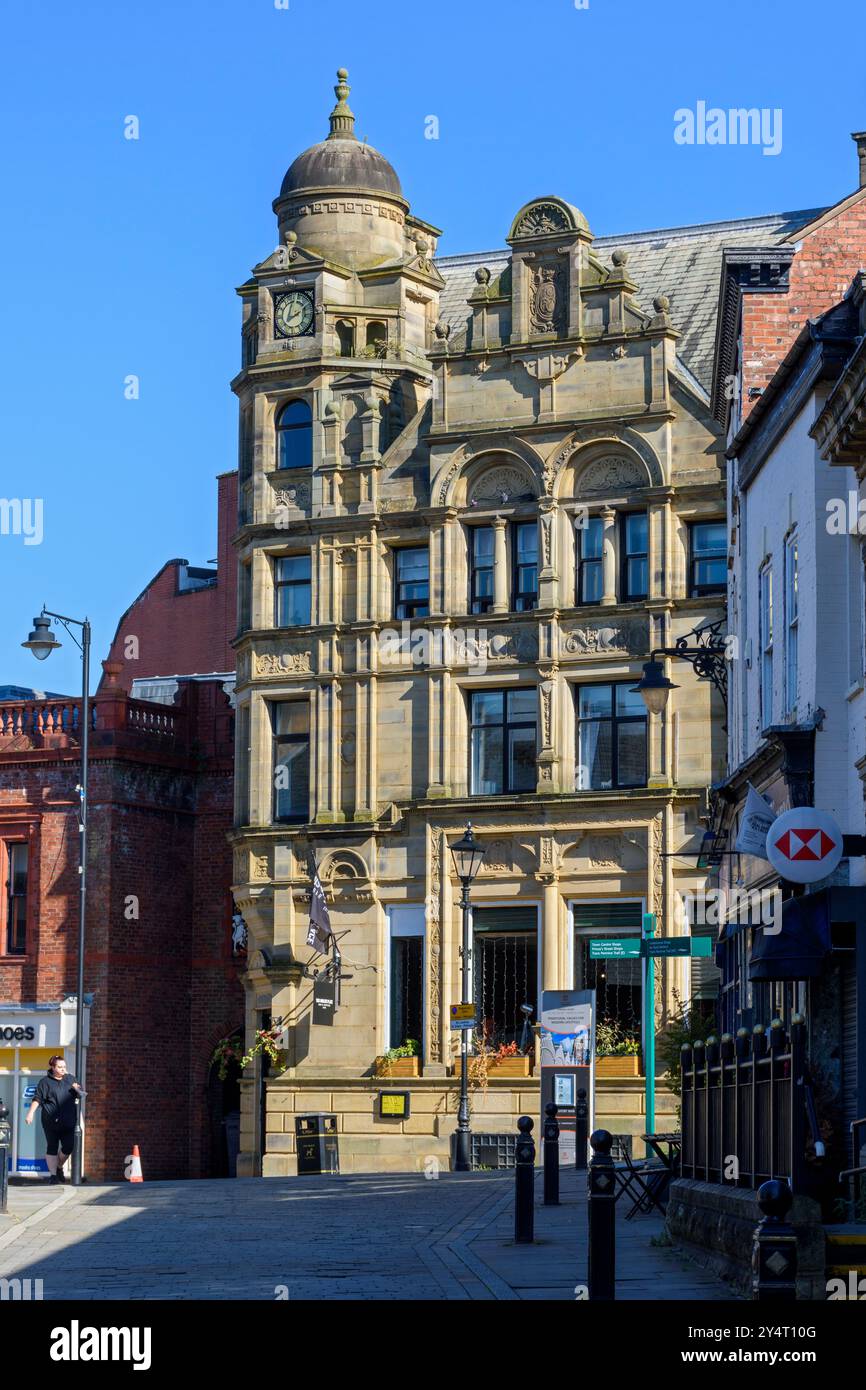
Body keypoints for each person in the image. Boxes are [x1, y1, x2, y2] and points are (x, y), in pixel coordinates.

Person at [25, 1056, 84, 1183]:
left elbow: (82, 1094)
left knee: (69, 1147)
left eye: (64, 1066)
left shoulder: (70, 1079)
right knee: (52, 1146)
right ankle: (52, 1176)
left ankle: (58, 1167)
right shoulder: (45, 1082)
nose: (63, 1069)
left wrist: (77, 1089)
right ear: (53, 1067)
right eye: (60, 1067)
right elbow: (37, 1099)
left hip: (68, 1120)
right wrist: (30, 1114)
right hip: (50, 1120)